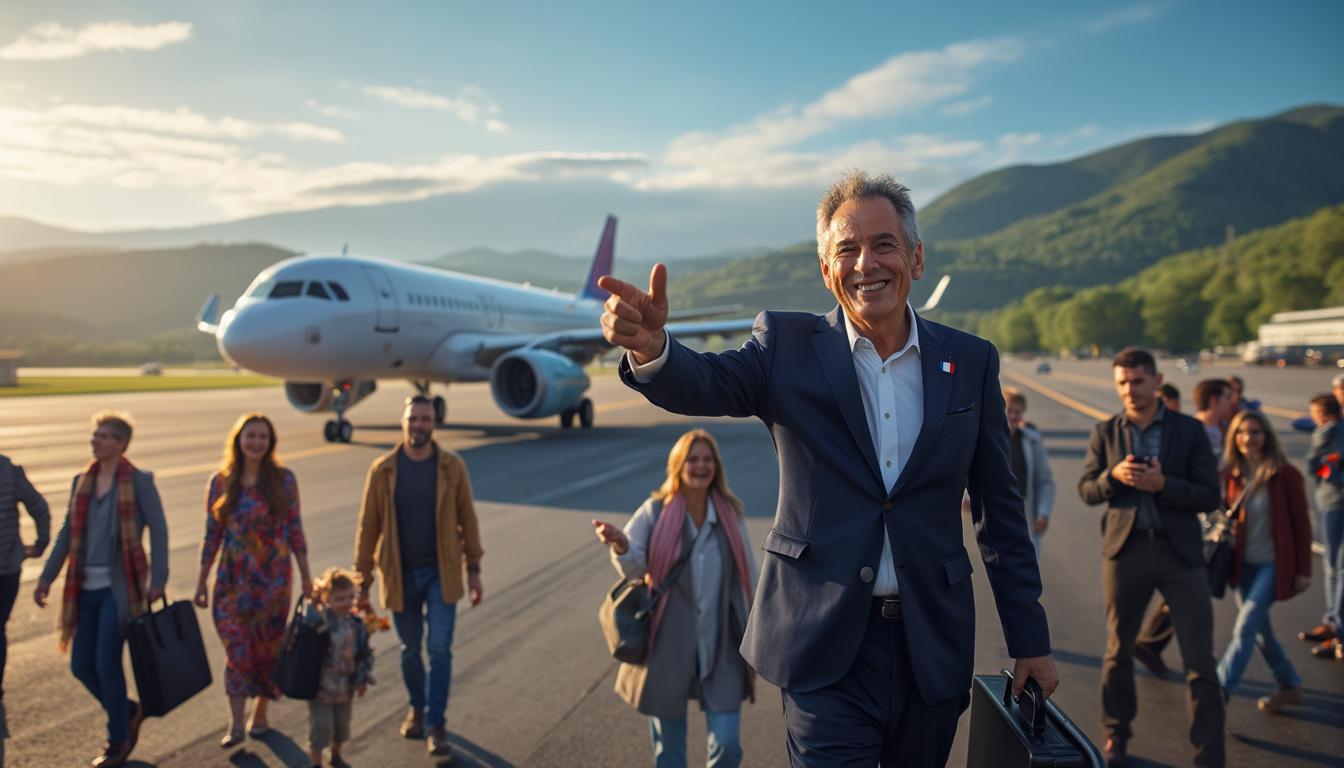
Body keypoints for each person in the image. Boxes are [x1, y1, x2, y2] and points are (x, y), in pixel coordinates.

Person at [600, 170, 1056, 767]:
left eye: (884, 244)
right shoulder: (785, 346)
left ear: (916, 258)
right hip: (824, 644)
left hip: (931, 646)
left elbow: (1000, 512)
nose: (867, 263)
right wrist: (652, 350)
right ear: (826, 269)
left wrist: (1030, 641)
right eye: (847, 249)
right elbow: (706, 380)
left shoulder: (970, 361)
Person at [1079, 349, 1224, 767]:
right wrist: (1113, 477)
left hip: (1180, 553)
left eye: (1138, 381)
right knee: (1117, 651)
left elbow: (1209, 495)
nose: (1130, 390)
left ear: (1157, 382)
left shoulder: (1188, 431)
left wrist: (1163, 484)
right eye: (1123, 382)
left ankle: (1209, 754)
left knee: (1200, 662)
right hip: (1127, 552)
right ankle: (1116, 735)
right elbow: (1087, 491)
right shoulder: (1106, 432)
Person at [592, 429, 757, 768]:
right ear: (678, 466)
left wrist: (759, 629)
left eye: (707, 459)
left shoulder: (730, 513)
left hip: (721, 642)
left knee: (727, 745)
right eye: (692, 459)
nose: (700, 466)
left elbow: (748, 577)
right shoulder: (655, 512)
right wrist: (621, 545)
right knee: (669, 752)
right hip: (667, 642)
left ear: (716, 467)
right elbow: (636, 568)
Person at [34, 411, 168, 768]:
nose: (96, 440)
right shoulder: (82, 480)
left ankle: (117, 740)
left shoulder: (138, 481)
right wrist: (46, 577)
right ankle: (128, 710)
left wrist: (159, 579)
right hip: (84, 589)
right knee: (81, 666)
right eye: (95, 435)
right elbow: (67, 533)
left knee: (106, 662)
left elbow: (158, 528)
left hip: (120, 590)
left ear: (121, 443)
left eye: (105, 436)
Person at [354, 395, 484, 759]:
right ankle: (418, 706)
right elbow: (369, 527)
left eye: (425, 419)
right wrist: (361, 578)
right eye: (413, 419)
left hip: (441, 572)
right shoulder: (383, 469)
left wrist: (473, 570)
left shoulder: (451, 467)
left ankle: (435, 723)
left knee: (439, 648)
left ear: (434, 424)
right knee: (410, 651)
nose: (419, 425)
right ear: (404, 422)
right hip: (399, 574)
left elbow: (467, 519)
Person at [194, 413, 312, 746]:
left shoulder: (283, 480)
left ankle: (259, 714)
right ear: (239, 440)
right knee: (237, 650)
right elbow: (211, 535)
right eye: (251, 436)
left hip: (273, 581)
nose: (256, 442)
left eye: (262, 437)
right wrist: (201, 580)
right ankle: (234, 723)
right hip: (232, 582)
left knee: (267, 650)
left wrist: (306, 577)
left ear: (270, 443)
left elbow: (295, 531)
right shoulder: (221, 481)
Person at [1132, 379, 1231, 678]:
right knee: (1194, 588)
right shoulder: (1194, 430)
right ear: (1214, 400)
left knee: (1191, 589)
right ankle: (1152, 643)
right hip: (1199, 521)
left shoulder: (1220, 430)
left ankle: (1150, 642)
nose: (1232, 403)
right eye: (1227, 397)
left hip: (1214, 513)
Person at [1215, 410, 1312, 712]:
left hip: (1273, 565)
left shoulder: (1285, 474)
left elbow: (1301, 524)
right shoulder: (1231, 474)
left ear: (1267, 436)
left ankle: (1218, 690)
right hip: (1243, 565)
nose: (1249, 438)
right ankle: (1289, 684)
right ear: (1234, 437)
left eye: (1255, 432)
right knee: (1260, 632)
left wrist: (1304, 570)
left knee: (1245, 627)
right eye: (1242, 432)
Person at [306, 567, 374, 768]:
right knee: (321, 728)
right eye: (339, 599)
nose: (345, 603)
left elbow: (365, 652)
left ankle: (335, 755)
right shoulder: (322, 622)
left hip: (346, 688)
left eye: (349, 598)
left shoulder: (357, 625)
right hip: (321, 688)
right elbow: (307, 624)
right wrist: (313, 601)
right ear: (327, 599)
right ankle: (315, 762)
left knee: (341, 729)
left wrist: (363, 679)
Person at [1300, 393, 1344, 660]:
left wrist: (1329, 471)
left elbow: (1314, 465)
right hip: (1332, 500)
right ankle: (1333, 620)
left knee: (1334, 565)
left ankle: (1336, 624)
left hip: (1335, 501)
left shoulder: (1328, 432)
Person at [1003, 388, 1055, 558]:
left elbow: (1044, 481)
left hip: (1024, 510)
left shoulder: (1032, 441)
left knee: (1027, 564)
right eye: (1009, 410)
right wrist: (967, 497)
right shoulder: (989, 440)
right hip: (997, 511)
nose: (1012, 416)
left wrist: (1043, 512)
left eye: (1017, 411)